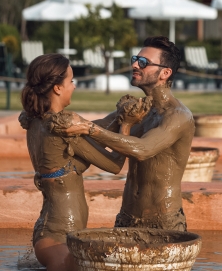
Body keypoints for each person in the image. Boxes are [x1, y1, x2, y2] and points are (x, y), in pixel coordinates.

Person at [51, 36, 195, 232]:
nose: (135, 65)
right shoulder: (136, 110)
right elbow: (92, 127)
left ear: (165, 73)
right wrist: (45, 119)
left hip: (164, 219)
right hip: (127, 217)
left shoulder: (177, 116)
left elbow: (143, 149)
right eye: (135, 59)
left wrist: (89, 129)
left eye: (143, 62)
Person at [19, 54, 147, 271]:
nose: (74, 86)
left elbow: (94, 128)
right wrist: (126, 125)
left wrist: (120, 112)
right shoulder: (62, 130)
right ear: (58, 88)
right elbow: (114, 165)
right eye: (71, 81)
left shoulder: (39, 121)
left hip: (49, 233)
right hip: (60, 240)